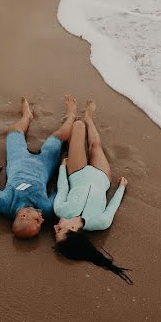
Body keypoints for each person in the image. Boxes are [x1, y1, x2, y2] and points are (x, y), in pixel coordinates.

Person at [53, 99, 132, 284]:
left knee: (78, 127)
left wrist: (62, 168)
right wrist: (121, 187)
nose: (55, 226)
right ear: (72, 229)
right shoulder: (101, 222)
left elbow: (63, 188)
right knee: (95, 147)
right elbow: (113, 205)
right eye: (59, 230)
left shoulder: (60, 210)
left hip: (76, 172)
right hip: (102, 178)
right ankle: (90, 118)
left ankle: (80, 119)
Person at [0, 95, 75, 239]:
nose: (43, 220)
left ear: (23, 215)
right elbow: (61, 190)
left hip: (18, 159)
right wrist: (63, 171)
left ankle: (27, 116)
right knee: (58, 137)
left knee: (13, 130)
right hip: (44, 164)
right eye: (40, 223)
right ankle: (71, 116)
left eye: (37, 221)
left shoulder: (1, 203)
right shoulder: (46, 208)